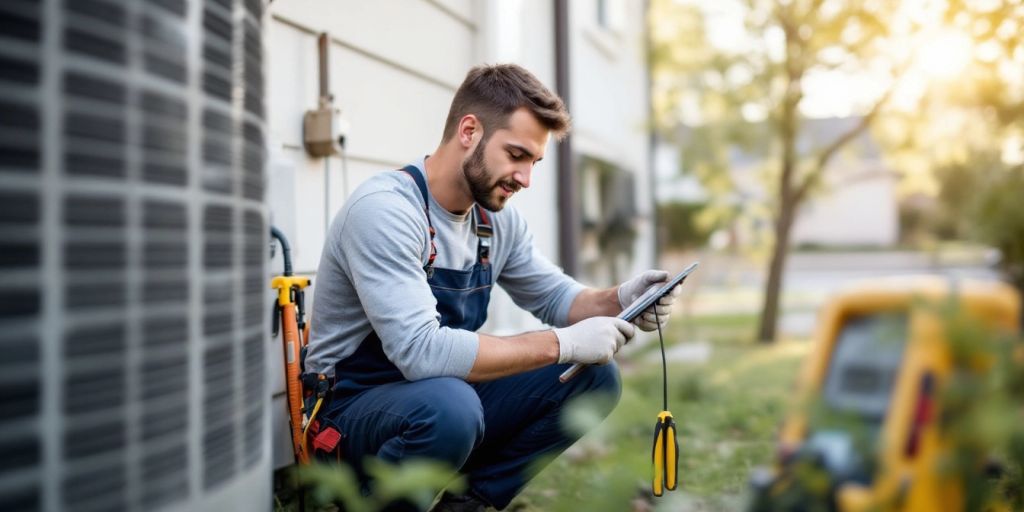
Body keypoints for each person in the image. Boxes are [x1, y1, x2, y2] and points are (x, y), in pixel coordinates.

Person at [305, 63, 681, 511]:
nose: (525, 178)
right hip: (351, 414)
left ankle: (467, 506)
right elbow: (421, 352)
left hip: (442, 398)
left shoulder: (494, 221)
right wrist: (562, 344)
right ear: (469, 130)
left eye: (534, 162)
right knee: (451, 407)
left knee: (596, 378)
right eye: (517, 155)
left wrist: (622, 299)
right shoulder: (387, 211)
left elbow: (556, 298)